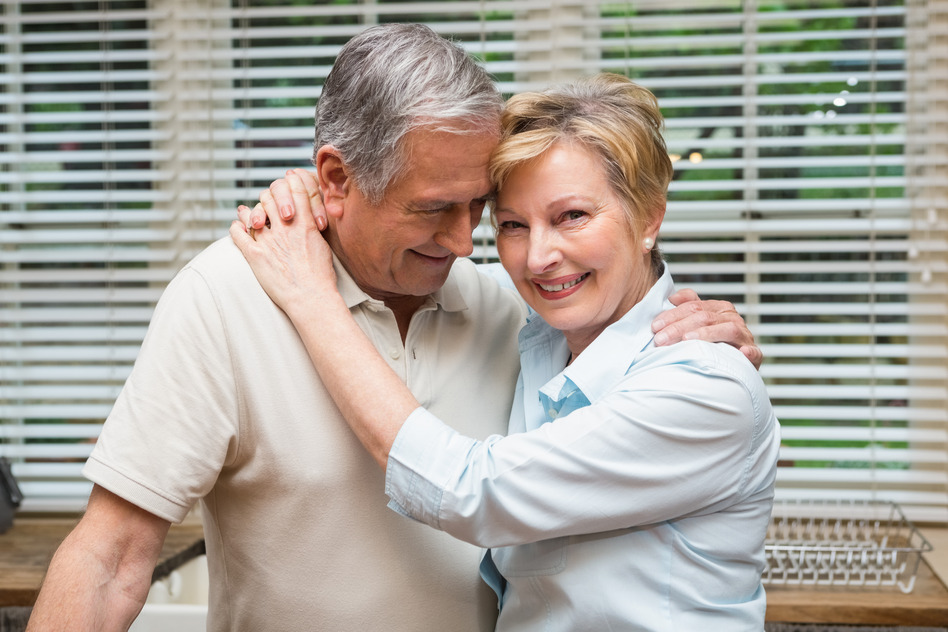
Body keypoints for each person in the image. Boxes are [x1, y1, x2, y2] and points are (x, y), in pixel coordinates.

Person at [28, 25, 758, 632]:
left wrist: (711, 333)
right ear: (336, 181)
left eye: (479, 207)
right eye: (435, 207)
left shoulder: (517, 315)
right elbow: (112, 557)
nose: (465, 240)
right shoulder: (226, 297)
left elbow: (491, 479)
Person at [231, 73, 780, 631]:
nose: (540, 257)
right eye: (514, 225)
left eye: (573, 216)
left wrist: (311, 298)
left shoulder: (703, 385)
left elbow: (474, 491)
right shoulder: (537, 328)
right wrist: (328, 192)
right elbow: (393, 246)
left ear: (649, 218)